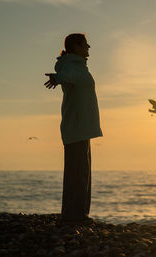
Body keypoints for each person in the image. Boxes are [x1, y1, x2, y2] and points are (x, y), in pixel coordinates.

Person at [44, 33, 103, 223]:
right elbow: (65, 76)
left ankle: (77, 214)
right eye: (85, 44)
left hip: (81, 127)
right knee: (77, 173)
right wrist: (57, 78)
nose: (89, 47)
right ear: (76, 47)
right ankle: (74, 216)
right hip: (76, 127)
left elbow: (67, 74)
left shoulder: (78, 66)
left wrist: (59, 76)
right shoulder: (71, 66)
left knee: (81, 172)